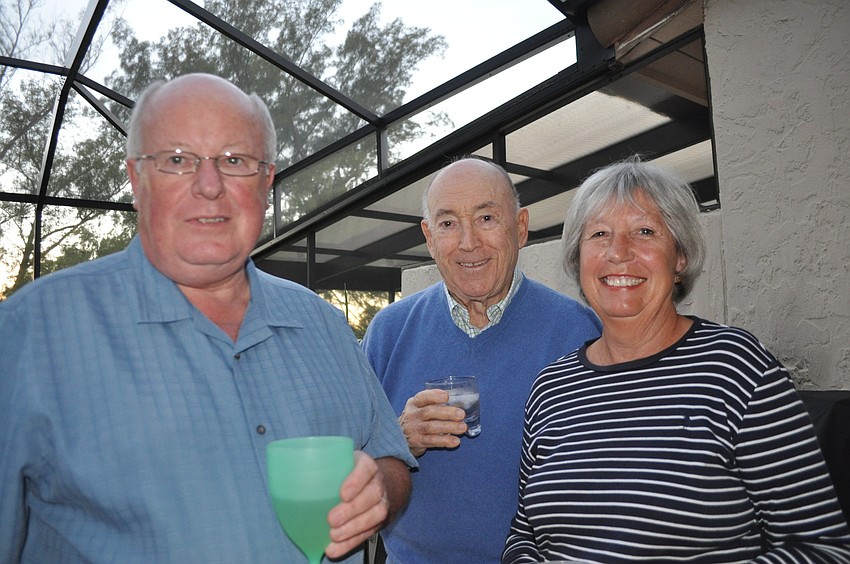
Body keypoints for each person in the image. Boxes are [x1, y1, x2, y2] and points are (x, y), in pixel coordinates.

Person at [0, 73, 416, 563]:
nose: (210, 185)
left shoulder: (322, 325)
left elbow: (392, 459)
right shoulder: (32, 334)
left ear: (266, 184)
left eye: (235, 161)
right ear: (137, 180)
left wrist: (381, 491)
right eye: (177, 160)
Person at [502, 156, 850, 562]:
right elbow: (524, 531)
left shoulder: (737, 369)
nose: (619, 252)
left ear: (680, 257)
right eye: (599, 234)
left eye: (645, 231)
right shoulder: (551, 388)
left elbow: (822, 547)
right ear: (579, 260)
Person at [361, 157, 602, 563]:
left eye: (486, 217)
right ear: (429, 237)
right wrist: (396, 440)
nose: (468, 242)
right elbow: (345, 463)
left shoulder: (577, 330)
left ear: (520, 228)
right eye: (448, 223)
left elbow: (608, 474)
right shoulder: (388, 332)